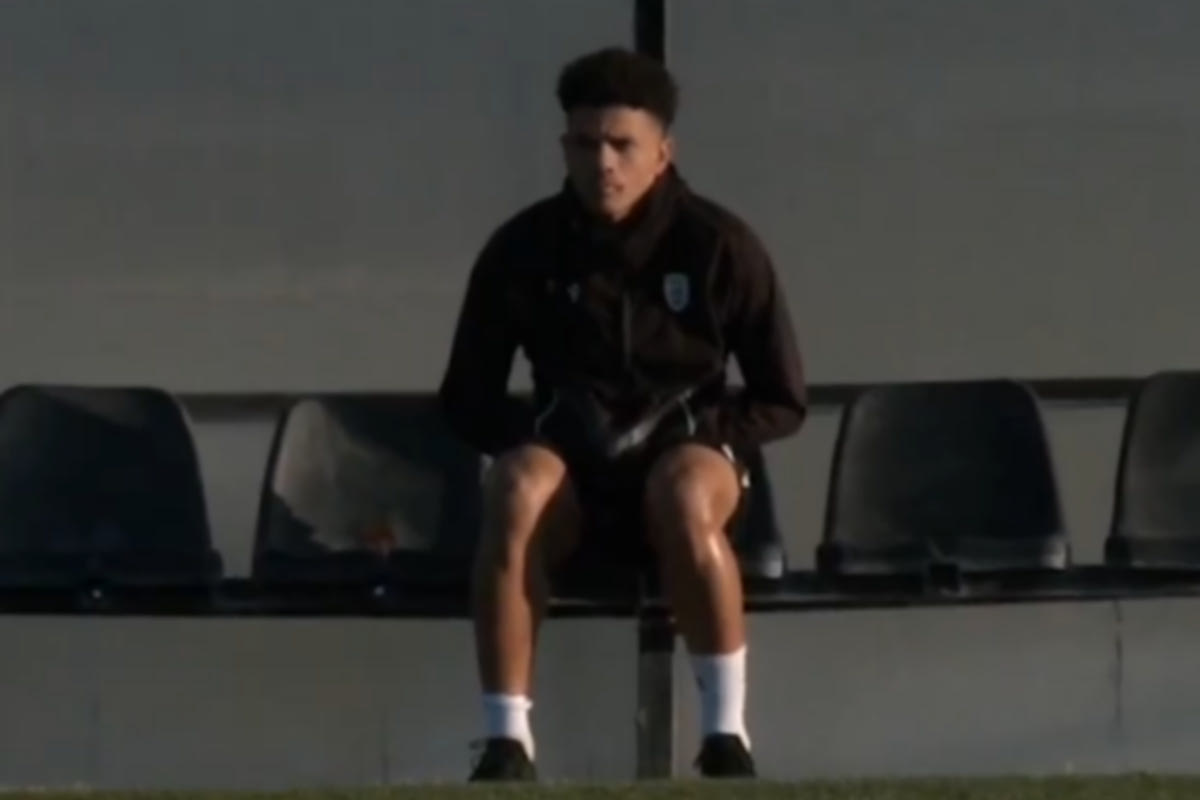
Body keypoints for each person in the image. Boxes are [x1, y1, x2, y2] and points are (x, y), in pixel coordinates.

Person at [437, 46, 806, 782]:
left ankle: (725, 736)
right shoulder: (523, 248)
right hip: (573, 481)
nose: (601, 162)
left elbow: (781, 398)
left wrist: (705, 438)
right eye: (584, 144)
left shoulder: (719, 245)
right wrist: (539, 442)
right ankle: (506, 742)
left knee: (686, 487)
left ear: (662, 152)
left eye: (620, 145)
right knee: (516, 485)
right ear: (563, 149)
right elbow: (466, 397)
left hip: (683, 467)